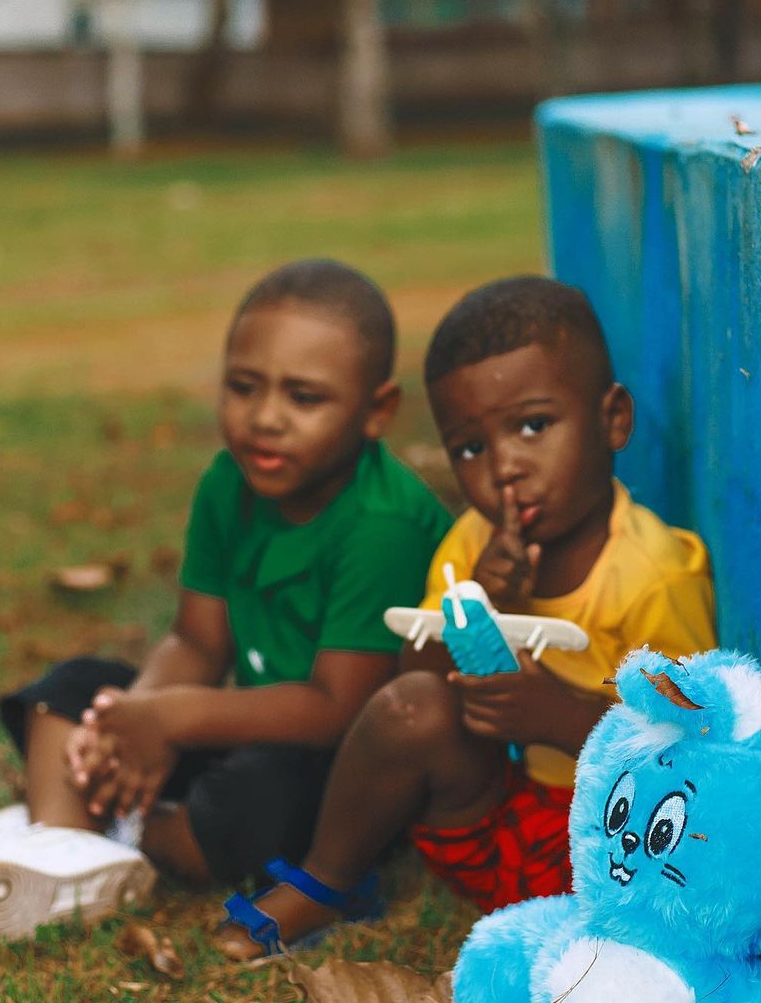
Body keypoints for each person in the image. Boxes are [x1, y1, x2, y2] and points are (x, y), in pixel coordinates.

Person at [0, 258, 452, 954]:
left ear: (377, 411)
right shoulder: (229, 483)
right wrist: (128, 721)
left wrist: (168, 718)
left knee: (256, 796)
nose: (265, 419)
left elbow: (332, 709)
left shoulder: (383, 522)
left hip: (348, 771)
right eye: (243, 387)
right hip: (249, 721)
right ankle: (60, 847)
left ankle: (99, 837)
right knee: (69, 691)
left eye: (304, 397)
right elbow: (198, 643)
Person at [215, 275, 717, 960]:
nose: (506, 468)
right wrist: (487, 605)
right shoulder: (470, 544)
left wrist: (557, 715)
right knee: (410, 708)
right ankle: (326, 883)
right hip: (497, 824)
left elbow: (693, 752)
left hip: (620, 846)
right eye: (472, 448)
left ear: (612, 420)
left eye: (534, 426)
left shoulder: (652, 576)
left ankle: (591, 952)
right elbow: (411, 681)